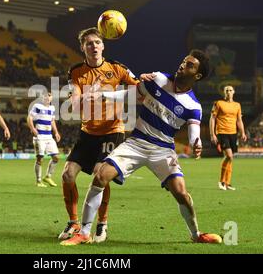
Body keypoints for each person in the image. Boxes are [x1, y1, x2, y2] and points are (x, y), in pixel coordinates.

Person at [61, 50, 222, 245]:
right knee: (101, 176)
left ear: (197, 76)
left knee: (181, 192)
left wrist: (196, 143)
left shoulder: (193, 106)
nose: (182, 65)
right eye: (183, 61)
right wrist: (104, 95)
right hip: (136, 143)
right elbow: (130, 94)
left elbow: (194, 134)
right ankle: (85, 232)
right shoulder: (159, 79)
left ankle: (196, 234)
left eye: (190, 65)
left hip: (163, 150)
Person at [58, 27, 140, 243]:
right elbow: (74, 106)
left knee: (99, 174)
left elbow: (141, 91)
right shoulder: (76, 72)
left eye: (97, 42)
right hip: (88, 132)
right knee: (67, 175)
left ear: (103, 45)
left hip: (112, 132)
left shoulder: (117, 69)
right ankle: (73, 222)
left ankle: (102, 224)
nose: (93, 46)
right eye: (89, 43)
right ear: (83, 48)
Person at [209, 85, 247, 191]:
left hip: (233, 133)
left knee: (231, 158)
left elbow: (239, 120)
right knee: (229, 156)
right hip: (222, 132)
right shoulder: (218, 103)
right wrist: (212, 134)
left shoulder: (237, 105)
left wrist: (243, 132)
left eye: (230, 90)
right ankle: (221, 181)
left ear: (234, 92)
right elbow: (212, 119)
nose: (228, 92)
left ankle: (227, 183)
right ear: (224, 92)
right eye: (226, 90)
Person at [27, 92, 60, 187]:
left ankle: (48, 176)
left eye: (49, 96)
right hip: (39, 136)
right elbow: (29, 118)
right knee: (40, 158)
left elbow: (52, 121)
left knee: (56, 157)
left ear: (51, 98)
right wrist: (32, 128)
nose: (47, 97)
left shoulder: (52, 108)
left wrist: (56, 132)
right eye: (45, 96)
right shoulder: (37, 106)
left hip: (49, 136)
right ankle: (38, 181)